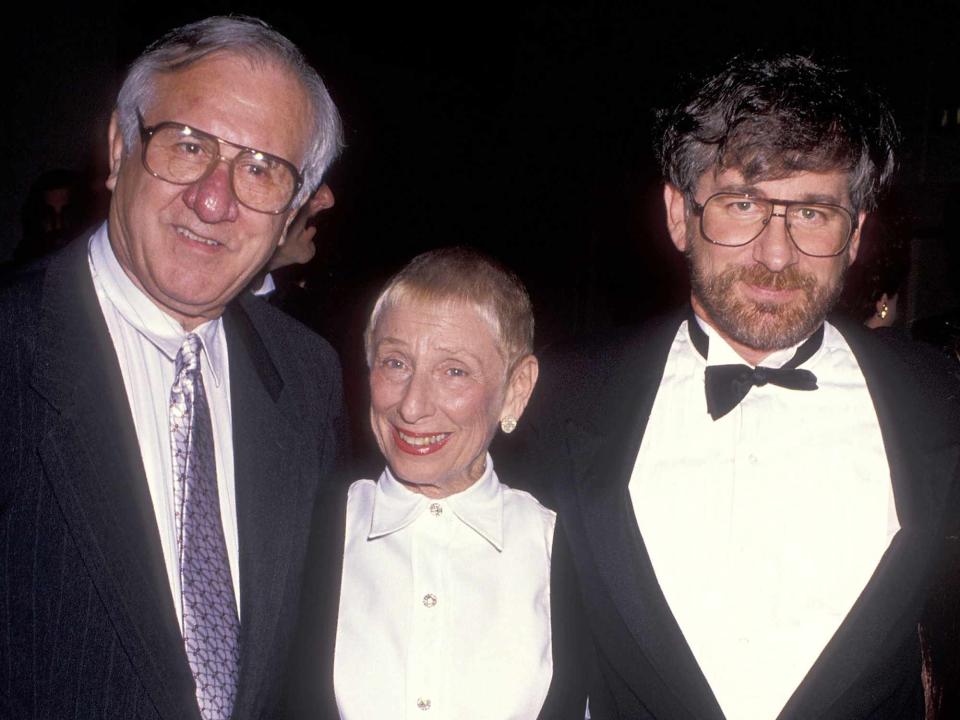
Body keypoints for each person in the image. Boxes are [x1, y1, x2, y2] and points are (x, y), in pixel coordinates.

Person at [522, 54, 960, 719]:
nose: (776, 254)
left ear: (856, 234)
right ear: (679, 214)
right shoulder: (561, 397)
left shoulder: (940, 402)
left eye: (812, 213)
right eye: (742, 203)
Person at [0, 16, 345, 720]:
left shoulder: (309, 379)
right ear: (119, 147)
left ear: (290, 213)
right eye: (188, 145)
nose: (215, 200)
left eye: (260, 168)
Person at [286, 248, 588, 719]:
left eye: (454, 371)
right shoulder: (302, 528)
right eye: (395, 363)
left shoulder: (567, 546)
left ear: (516, 389)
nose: (412, 406)